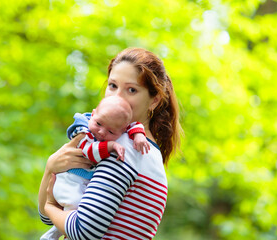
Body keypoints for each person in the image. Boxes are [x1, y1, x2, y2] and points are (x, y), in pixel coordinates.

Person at [38, 47, 182, 239]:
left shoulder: (125, 149)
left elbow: (82, 231)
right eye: (113, 86)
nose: (117, 97)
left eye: (131, 90)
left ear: (154, 100)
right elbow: (56, 216)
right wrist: (51, 168)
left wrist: (49, 206)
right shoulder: (147, 151)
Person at [40, 95, 150, 240]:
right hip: (69, 180)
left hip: (80, 182)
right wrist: (111, 145)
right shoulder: (84, 131)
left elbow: (133, 125)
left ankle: (53, 234)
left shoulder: (110, 122)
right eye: (98, 123)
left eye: (111, 132)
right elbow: (90, 152)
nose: (102, 132)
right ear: (92, 114)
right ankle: (52, 235)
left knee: (70, 211)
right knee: (74, 209)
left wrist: (139, 135)